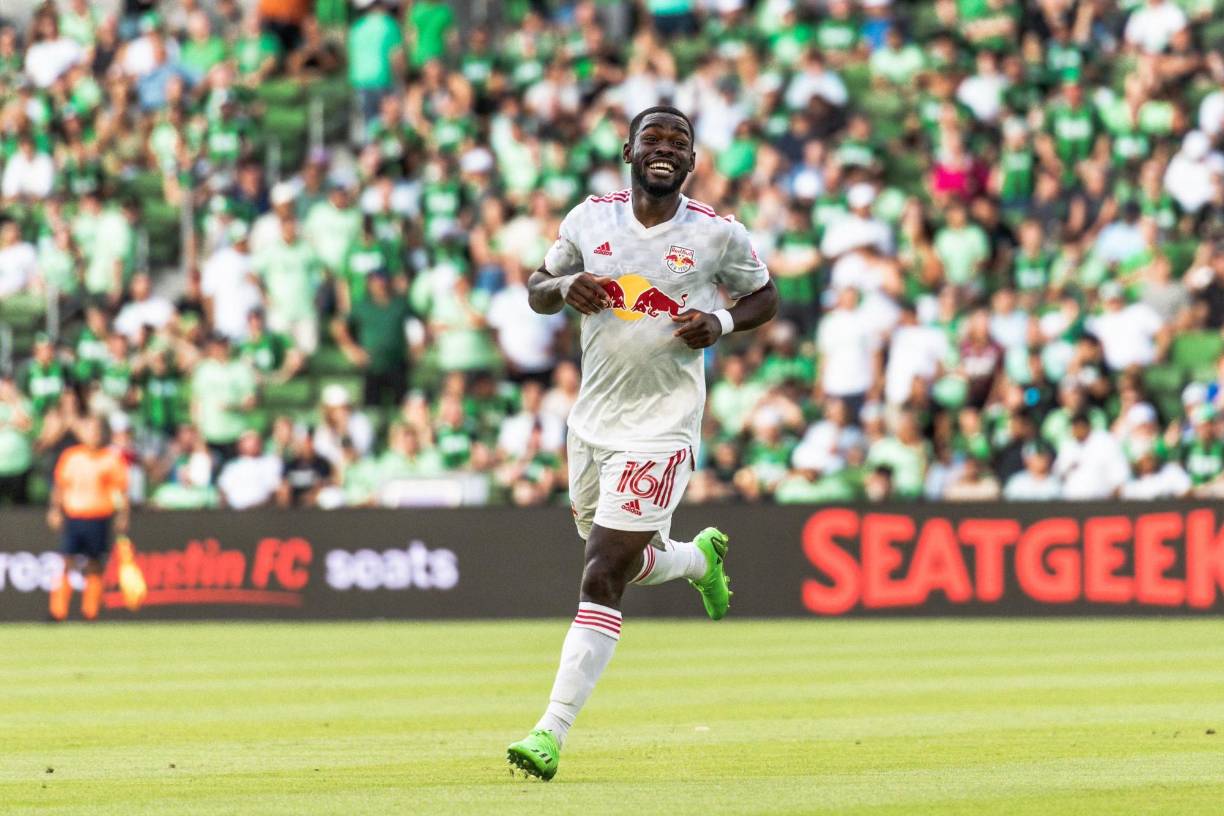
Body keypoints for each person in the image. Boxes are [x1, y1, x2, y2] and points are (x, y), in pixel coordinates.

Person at [507, 106, 779, 780]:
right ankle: (695, 560)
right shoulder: (589, 219)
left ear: (693, 160)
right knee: (621, 558)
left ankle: (550, 731)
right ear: (628, 151)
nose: (665, 148)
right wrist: (563, 284)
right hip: (592, 422)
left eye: (679, 141)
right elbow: (537, 288)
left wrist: (721, 322)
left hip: (664, 424)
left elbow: (765, 296)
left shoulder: (717, 234)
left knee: (602, 570)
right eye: (652, 138)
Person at [47, 414, 129, 621]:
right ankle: (58, 612)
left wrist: (122, 515)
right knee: (67, 561)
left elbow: (120, 492)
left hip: (99, 517)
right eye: (90, 430)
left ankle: (91, 612)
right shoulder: (71, 457)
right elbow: (60, 486)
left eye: (98, 430)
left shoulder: (111, 459)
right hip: (74, 516)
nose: (94, 435)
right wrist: (55, 510)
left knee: (95, 563)